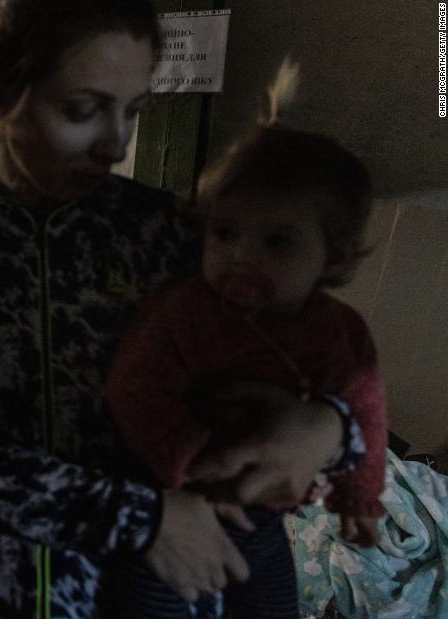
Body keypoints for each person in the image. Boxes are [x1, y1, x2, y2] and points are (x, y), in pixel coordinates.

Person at [0, 1, 368, 616]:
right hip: (3, 586)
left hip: (167, 585)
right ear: (1, 93)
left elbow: (319, 351)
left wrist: (327, 427)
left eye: (132, 111)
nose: (115, 145)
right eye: (84, 110)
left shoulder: (170, 232)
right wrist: (145, 519)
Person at [105, 61, 386, 618]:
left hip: (261, 522)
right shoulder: (185, 312)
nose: (241, 255)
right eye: (225, 232)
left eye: (276, 241)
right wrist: (187, 465)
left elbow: (367, 407)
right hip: (176, 503)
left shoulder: (336, 332)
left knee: (271, 606)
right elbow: (133, 388)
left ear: (333, 256)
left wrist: (360, 495)